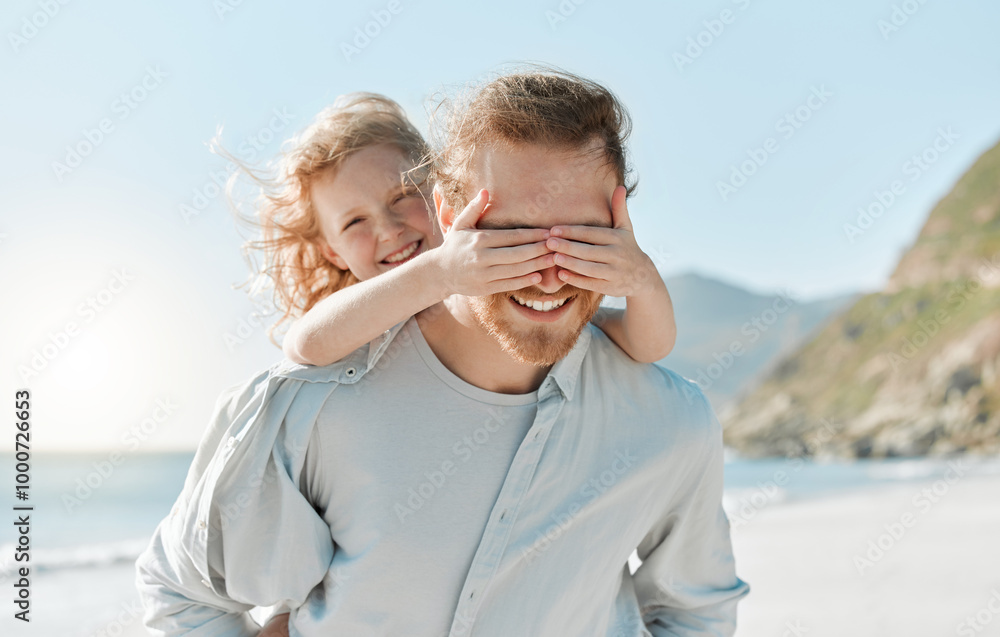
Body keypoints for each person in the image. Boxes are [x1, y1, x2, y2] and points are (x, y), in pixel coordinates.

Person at [135, 68, 749, 637]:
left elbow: (695, 614)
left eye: (578, 238)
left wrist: (637, 277)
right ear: (454, 219)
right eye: (513, 237)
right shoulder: (312, 404)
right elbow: (186, 595)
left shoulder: (669, 421)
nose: (546, 275)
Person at [233, 92, 676, 369]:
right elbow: (306, 344)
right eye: (354, 222)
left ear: (445, 200)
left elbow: (647, 344)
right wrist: (440, 272)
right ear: (332, 253)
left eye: (403, 195)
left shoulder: (502, 291)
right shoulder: (364, 318)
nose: (389, 229)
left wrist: (640, 278)